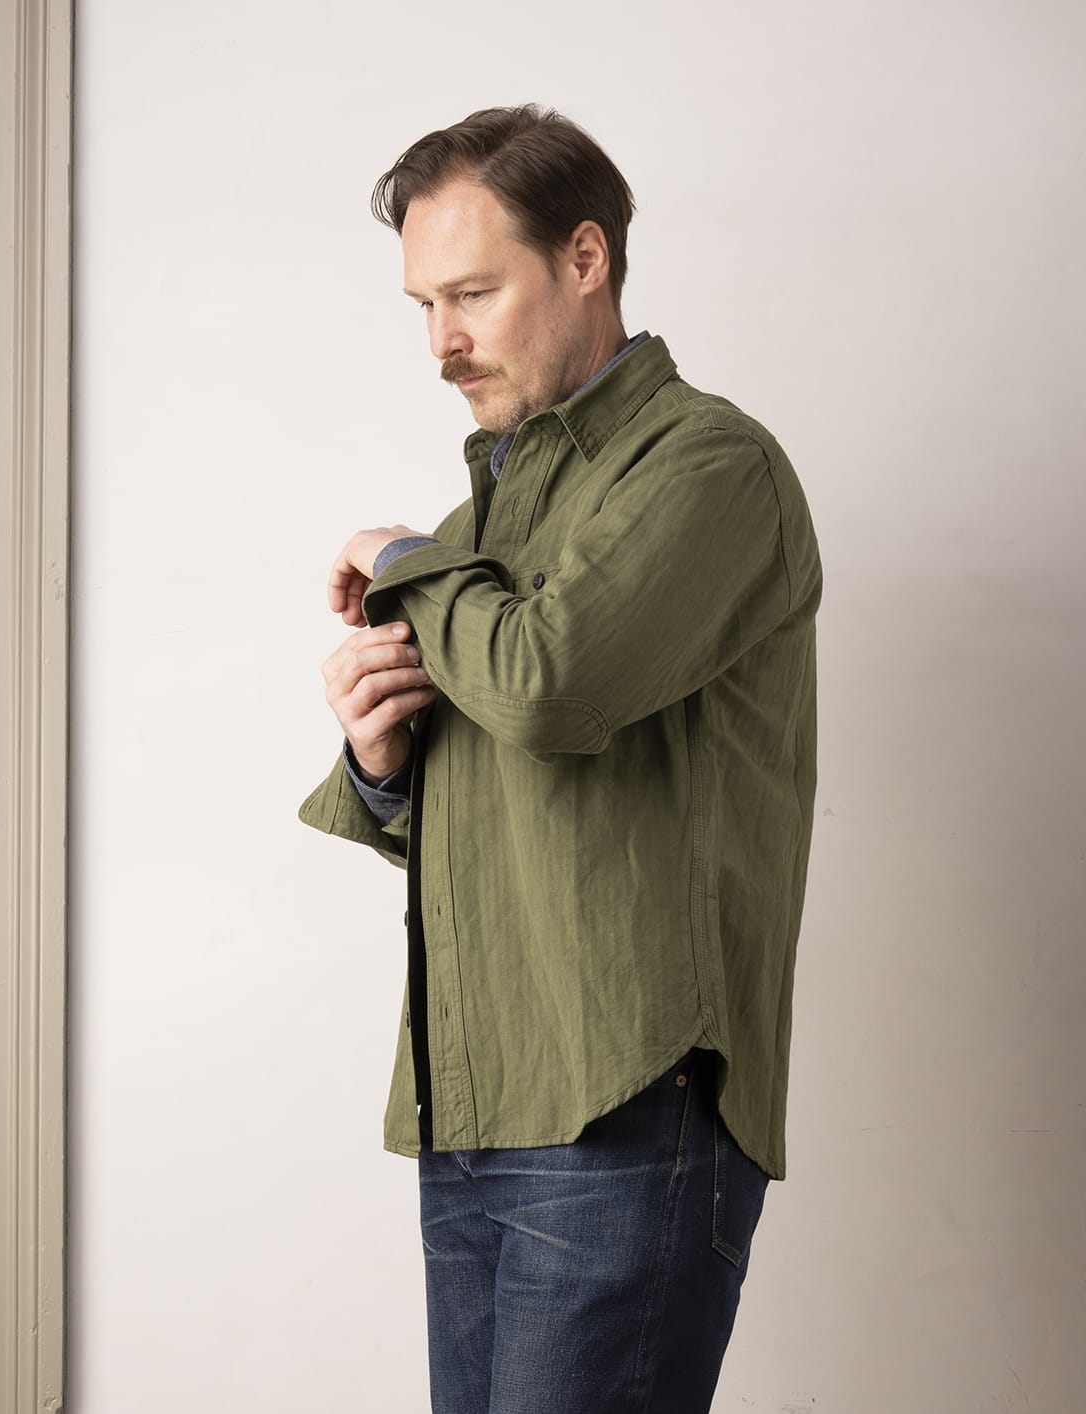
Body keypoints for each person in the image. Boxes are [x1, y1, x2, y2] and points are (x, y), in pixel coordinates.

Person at [299, 103, 821, 1414]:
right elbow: (505, 801)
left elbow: (550, 686)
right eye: (423, 303)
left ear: (585, 258)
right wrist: (382, 760)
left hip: (626, 1114)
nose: (443, 342)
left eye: (472, 290)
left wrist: (416, 567)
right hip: (474, 1115)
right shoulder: (492, 509)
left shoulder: (710, 467)